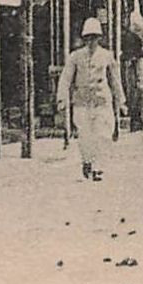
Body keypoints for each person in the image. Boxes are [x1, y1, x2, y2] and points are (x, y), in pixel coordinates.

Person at [55, 17, 126, 181]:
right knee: (85, 136)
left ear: (99, 38)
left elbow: (115, 79)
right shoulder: (75, 56)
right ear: (84, 38)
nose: (91, 41)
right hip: (82, 102)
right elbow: (66, 78)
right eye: (88, 37)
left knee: (103, 134)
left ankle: (97, 166)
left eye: (94, 37)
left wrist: (121, 101)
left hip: (102, 101)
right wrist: (62, 98)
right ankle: (87, 161)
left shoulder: (107, 56)